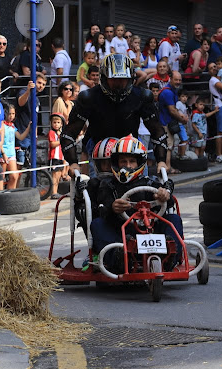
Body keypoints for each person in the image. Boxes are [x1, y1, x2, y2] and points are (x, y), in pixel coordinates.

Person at [60, 53, 168, 179]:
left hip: (131, 154)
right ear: (105, 78)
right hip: (102, 157)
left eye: (123, 80)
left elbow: (157, 130)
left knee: (143, 192)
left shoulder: (142, 96)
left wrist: (161, 160)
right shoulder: (88, 97)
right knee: (98, 193)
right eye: (114, 80)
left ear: (130, 79)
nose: (119, 84)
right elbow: (69, 133)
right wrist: (73, 163)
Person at [90, 135, 181, 274]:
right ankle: (118, 259)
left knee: (174, 219)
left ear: (139, 163)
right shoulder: (108, 186)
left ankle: (169, 258)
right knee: (97, 224)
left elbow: (169, 201)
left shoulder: (149, 183)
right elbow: (101, 210)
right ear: (116, 163)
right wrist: (113, 208)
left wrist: (164, 195)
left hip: (149, 229)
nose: (127, 165)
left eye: (132, 161)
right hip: (121, 234)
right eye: (123, 161)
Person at [158, 71, 188, 173]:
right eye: (176, 80)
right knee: (168, 146)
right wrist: (182, 119)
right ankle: (168, 168)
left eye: (180, 80)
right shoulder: (167, 92)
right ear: (171, 79)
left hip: (167, 121)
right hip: (165, 122)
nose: (178, 82)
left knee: (169, 146)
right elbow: (172, 110)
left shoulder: (172, 91)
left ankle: (167, 167)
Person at [16, 74, 47, 166]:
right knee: (19, 164)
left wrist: (36, 135)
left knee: (30, 163)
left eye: (43, 84)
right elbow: (20, 102)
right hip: (22, 133)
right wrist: (28, 91)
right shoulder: (24, 91)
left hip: (31, 135)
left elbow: (35, 118)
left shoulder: (36, 99)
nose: (41, 86)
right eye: (39, 83)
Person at [0, 105, 29, 190]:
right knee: (1, 177)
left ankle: (10, 194)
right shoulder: (2, 125)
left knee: (14, 176)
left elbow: (20, 137)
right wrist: (3, 153)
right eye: (9, 113)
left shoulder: (12, 126)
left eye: (13, 113)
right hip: (3, 154)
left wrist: (29, 128)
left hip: (12, 154)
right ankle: (0, 196)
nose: (11, 116)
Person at [48, 113, 66, 199]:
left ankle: (56, 191)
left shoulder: (61, 133)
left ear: (61, 124)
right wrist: (61, 140)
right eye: (54, 122)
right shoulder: (52, 133)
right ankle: (54, 192)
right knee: (55, 175)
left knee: (59, 175)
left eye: (58, 122)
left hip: (60, 156)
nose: (56, 124)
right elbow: (52, 144)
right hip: (54, 157)